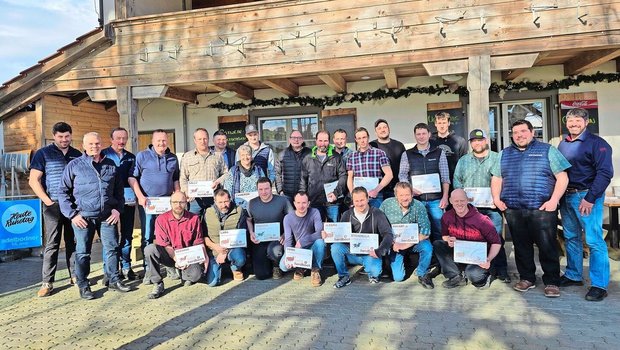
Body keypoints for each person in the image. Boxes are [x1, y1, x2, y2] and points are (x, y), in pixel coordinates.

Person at [491, 119, 570, 298]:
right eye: (515, 132)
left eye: (523, 131)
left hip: (541, 208)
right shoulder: (504, 154)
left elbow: (562, 177)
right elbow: (497, 178)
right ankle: (527, 278)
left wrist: (554, 200)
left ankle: (551, 281)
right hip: (513, 209)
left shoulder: (547, 150)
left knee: (547, 245)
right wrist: (496, 198)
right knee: (521, 246)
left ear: (532, 132)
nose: (519, 135)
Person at [58, 132, 130, 300]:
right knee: (83, 252)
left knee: (112, 248)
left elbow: (119, 192)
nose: (94, 147)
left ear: (101, 144)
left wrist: (117, 209)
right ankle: (83, 284)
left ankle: (113, 279)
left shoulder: (111, 165)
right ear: (84, 146)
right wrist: (72, 215)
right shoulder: (74, 165)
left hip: (107, 216)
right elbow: (62, 192)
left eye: (97, 143)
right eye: (90, 144)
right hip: (83, 217)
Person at [558, 108, 613, 301]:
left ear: (586, 122)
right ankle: (573, 275)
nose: (573, 124)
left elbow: (605, 173)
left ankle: (599, 284)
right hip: (567, 197)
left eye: (578, 120)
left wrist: (590, 198)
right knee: (571, 237)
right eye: (570, 120)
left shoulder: (597, 144)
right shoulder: (563, 144)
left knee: (594, 241)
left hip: (586, 197)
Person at [29, 121, 81, 297]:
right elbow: (33, 180)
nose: (64, 140)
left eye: (67, 136)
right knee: (52, 244)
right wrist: (47, 201)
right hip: (53, 206)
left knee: (73, 242)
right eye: (60, 137)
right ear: (54, 136)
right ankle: (47, 283)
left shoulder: (77, 155)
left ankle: (75, 276)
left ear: (71, 135)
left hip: (73, 206)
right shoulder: (43, 154)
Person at [452, 129, 509, 282]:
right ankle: (474, 268)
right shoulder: (463, 161)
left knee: (495, 238)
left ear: (486, 141)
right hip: (471, 210)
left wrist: (498, 198)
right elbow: (457, 181)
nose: (477, 143)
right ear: (471, 143)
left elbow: (503, 180)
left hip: (492, 208)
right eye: (474, 141)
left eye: (480, 140)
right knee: (471, 238)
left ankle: (501, 269)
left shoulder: (497, 158)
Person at [128, 129, 180, 283]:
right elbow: (132, 178)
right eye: (158, 140)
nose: (161, 143)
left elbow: (176, 179)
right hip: (148, 204)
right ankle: (148, 270)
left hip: (166, 204)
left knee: (168, 236)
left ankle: (170, 266)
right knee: (148, 236)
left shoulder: (173, 158)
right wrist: (140, 196)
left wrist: (177, 195)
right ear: (153, 141)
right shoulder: (142, 156)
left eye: (164, 140)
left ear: (167, 141)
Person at [143, 191, 209, 299]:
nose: (178, 205)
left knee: (196, 275)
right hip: (169, 255)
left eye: (181, 202)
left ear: (186, 202)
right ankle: (158, 283)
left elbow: (198, 241)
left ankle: (184, 274)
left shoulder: (194, 218)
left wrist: (205, 257)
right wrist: (177, 259)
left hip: (187, 256)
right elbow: (164, 244)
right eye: (175, 202)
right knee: (149, 249)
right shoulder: (161, 219)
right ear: (170, 203)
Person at [433, 189, 501, 289]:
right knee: (438, 244)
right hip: (460, 253)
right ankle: (456, 276)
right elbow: (444, 235)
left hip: (479, 256)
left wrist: (488, 259)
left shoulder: (482, 220)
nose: (459, 204)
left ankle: (486, 276)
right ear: (451, 201)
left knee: (473, 275)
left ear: (467, 200)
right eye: (456, 201)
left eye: (462, 200)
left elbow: (496, 243)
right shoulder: (446, 217)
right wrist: (448, 239)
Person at [329, 187, 393, 288]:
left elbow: (388, 234)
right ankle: (343, 276)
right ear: (353, 201)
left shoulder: (377, 213)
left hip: (370, 253)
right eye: (356, 201)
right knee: (335, 247)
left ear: (368, 199)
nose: (359, 203)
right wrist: (328, 235)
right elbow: (340, 235)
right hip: (352, 252)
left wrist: (380, 251)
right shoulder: (347, 214)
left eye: (362, 200)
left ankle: (372, 272)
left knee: (375, 273)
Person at [399, 123, 450, 241]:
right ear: (415, 136)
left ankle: (438, 258)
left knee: (439, 229)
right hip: (417, 200)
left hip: (436, 200)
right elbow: (402, 175)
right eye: (418, 134)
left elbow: (445, 176)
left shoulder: (439, 152)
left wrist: (445, 197)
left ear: (429, 135)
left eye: (424, 134)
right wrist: (410, 189)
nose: (421, 136)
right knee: (418, 230)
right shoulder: (407, 154)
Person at [379, 182, 434, 288]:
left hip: (413, 242)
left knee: (427, 247)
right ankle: (390, 263)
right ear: (396, 195)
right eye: (401, 195)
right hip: (394, 244)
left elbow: (426, 232)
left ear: (412, 194)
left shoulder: (419, 206)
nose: (405, 198)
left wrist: (405, 245)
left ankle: (422, 273)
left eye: (407, 195)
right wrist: (391, 242)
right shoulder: (386, 204)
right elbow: (379, 226)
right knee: (398, 278)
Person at [102, 127, 137, 280]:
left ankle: (126, 267)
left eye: (124, 138)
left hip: (127, 201)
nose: (122, 141)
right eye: (118, 138)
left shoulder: (131, 157)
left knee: (127, 235)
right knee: (110, 238)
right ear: (111, 139)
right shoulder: (103, 155)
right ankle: (109, 271)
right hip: (109, 203)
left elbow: (134, 177)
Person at [245, 177, 294, 280]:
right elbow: (249, 220)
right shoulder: (251, 203)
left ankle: (276, 265)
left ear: (271, 188)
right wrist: (251, 232)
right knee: (261, 275)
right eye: (260, 189)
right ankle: (267, 263)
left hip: (278, 239)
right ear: (257, 190)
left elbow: (293, 219)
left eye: (266, 189)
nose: (264, 192)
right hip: (260, 240)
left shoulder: (282, 201)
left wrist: (285, 234)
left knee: (276, 252)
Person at [300, 130, 347, 223]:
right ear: (316, 141)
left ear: (329, 141)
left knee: (333, 230)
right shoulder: (307, 158)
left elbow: (343, 176)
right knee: (316, 229)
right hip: (314, 201)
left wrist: (336, 193)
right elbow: (303, 180)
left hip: (333, 202)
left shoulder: (336, 157)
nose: (323, 144)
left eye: (325, 141)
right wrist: (304, 198)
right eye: (320, 141)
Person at [279, 192, 325, 287]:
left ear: (308, 203)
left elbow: (319, 233)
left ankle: (315, 269)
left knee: (320, 242)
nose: (301, 206)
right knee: (283, 266)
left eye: (304, 203)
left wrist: (302, 241)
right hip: (298, 249)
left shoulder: (314, 212)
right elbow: (288, 240)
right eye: (298, 203)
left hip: (312, 246)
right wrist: (289, 256)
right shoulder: (288, 218)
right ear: (294, 203)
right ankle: (301, 268)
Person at [180, 128, 228, 219]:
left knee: (213, 224)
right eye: (199, 139)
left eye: (205, 138)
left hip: (213, 198)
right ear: (195, 140)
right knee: (194, 223)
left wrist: (218, 182)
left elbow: (226, 174)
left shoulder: (218, 156)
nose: (203, 141)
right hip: (194, 200)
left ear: (208, 139)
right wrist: (187, 191)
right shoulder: (187, 157)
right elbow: (183, 178)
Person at [204, 189, 247, 284]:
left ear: (230, 199)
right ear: (214, 201)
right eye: (220, 202)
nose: (223, 205)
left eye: (226, 201)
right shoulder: (207, 212)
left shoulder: (239, 211)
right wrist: (216, 247)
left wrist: (224, 252)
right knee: (213, 283)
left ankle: (235, 268)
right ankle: (220, 269)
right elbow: (204, 236)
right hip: (215, 249)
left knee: (240, 259)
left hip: (234, 247)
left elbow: (242, 234)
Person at [346, 127, 393, 208]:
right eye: (359, 138)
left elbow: (389, 175)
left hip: (375, 196)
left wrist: (376, 190)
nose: (362, 140)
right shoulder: (351, 156)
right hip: (359, 198)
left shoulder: (379, 153)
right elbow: (350, 177)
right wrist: (352, 195)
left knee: (377, 219)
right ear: (356, 140)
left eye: (364, 137)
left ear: (368, 137)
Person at [370, 119, 405, 199]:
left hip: (397, 188)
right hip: (377, 190)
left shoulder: (399, 145)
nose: (382, 130)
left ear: (389, 129)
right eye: (379, 128)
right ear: (375, 132)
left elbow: (405, 167)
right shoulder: (372, 146)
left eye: (385, 127)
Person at [223, 144, 265, 209]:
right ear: (239, 156)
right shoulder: (233, 171)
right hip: (238, 207)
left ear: (251, 156)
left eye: (248, 154)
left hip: (257, 206)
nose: (245, 157)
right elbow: (227, 190)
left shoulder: (258, 170)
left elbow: (264, 187)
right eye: (243, 155)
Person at [430, 112, 468, 182]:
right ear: (435, 124)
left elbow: (464, 163)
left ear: (449, 123)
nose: (442, 126)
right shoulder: (430, 142)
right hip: (435, 181)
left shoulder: (460, 141)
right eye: (439, 123)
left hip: (455, 181)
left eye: (444, 123)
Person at [275, 130, 311, 201]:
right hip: (287, 195)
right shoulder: (282, 154)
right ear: (289, 139)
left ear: (302, 139)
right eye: (293, 137)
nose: (296, 140)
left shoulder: (310, 153)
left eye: (299, 138)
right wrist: (280, 191)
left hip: (305, 195)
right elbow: (277, 174)